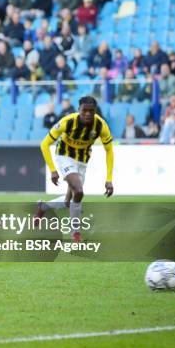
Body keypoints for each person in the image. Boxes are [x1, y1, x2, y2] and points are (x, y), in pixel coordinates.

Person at [35, 96, 114, 242]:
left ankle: (43, 206)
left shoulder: (101, 126)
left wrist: (109, 179)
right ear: (79, 110)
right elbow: (44, 144)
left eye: (91, 111)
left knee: (68, 201)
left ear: (95, 111)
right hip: (64, 156)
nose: (88, 114)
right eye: (85, 111)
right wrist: (53, 169)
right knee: (78, 191)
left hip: (82, 161)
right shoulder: (68, 122)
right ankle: (75, 232)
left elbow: (109, 150)